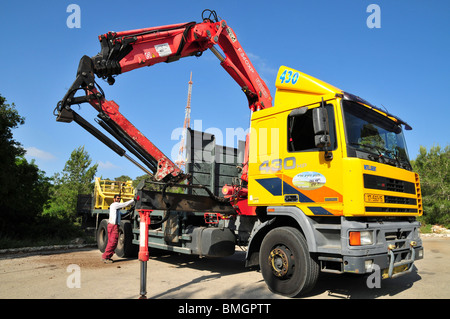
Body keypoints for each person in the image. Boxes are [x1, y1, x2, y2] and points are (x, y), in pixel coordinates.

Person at [102, 194, 135, 263]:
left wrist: (129, 211)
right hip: (113, 226)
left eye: (119, 198)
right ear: (114, 199)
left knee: (112, 242)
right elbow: (124, 204)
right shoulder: (114, 205)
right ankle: (105, 257)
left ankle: (107, 257)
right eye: (117, 198)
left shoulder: (116, 208)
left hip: (113, 226)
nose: (118, 200)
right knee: (113, 242)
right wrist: (133, 200)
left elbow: (122, 215)